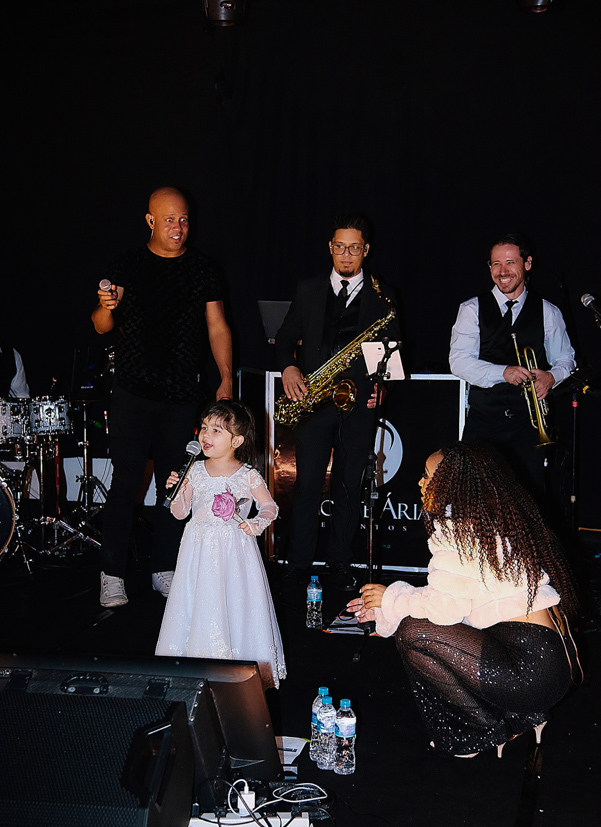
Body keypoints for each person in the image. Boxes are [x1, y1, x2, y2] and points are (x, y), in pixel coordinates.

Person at [347, 441, 581, 758]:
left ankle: (484, 729)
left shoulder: (457, 528)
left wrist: (391, 599)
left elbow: (445, 610)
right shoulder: (490, 519)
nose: (420, 483)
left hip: (529, 673)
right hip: (549, 663)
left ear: (454, 485)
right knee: (423, 625)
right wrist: (390, 602)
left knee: (414, 632)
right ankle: (523, 717)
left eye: (428, 476)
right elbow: (461, 605)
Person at [92, 186, 233, 608]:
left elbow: (218, 327)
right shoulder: (128, 264)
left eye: (185, 219)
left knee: (175, 486)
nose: (179, 227)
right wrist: (106, 305)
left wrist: (224, 378)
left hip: (180, 396)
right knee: (125, 484)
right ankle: (111, 574)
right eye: (170, 219)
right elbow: (101, 326)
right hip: (133, 393)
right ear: (151, 220)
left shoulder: (203, 269)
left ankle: (164, 569)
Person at [275, 213, 399, 591]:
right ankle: (298, 563)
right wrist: (289, 369)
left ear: (366, 250)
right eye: (340, 247)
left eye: (355, 248)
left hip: (359, 403)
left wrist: (384, 389)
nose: (347, 255)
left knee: (348, 485)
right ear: (330, 248)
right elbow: (283, 340)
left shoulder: (383, 296)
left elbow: (392, 354)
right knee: (307, 484)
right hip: (314, 400)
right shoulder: (309, 289)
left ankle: (341, 564)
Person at [155, 400, 286, 690]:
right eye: (203, 428)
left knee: (234, 601)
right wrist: (175, 491)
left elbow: (270, 507)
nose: (205, 435)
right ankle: (195, 664)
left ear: (236, 440)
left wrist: (256, 523)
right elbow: (180, 513)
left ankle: (236, 670)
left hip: (234, 551)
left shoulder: (247, 474)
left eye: (216, 430)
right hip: (198, 549)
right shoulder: (194, 470)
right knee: (198, 599)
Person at [449, 231, 575, 504]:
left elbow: (567, 360)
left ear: (527, 264)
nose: (502, 271)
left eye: (510, 263)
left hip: (527, 428)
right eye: (495, 264)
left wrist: (551, 377)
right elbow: (458, 362)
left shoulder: (548, 311)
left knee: (527, 503)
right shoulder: (471, 309)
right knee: (474, 501)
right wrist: (502, 372)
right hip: (484, 422)